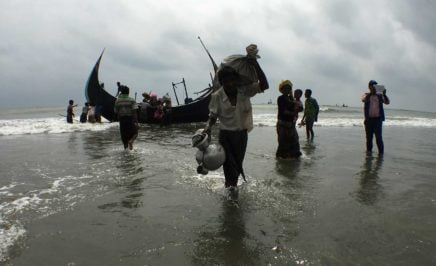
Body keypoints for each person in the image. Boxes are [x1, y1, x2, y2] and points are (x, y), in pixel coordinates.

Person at [203, 44, 269, 200]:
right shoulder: (217, 96)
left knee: (238, 164)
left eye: (232, 80)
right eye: (226, 81)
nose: (230, 84)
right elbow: (212, 116)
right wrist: (207, 129)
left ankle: (232, 190)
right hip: (225, 136)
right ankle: (231, 192)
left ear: (236, 80)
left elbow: (264, 85)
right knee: (229, 165)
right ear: (222, 82)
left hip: (241, 135)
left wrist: (256, 64)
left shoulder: (244, 91)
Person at [361, 80, 390, 154]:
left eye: (376, 87)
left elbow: (387, 102)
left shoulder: (380, 96)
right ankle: (369, 154)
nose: (374, 88)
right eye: (373, 86)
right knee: (369, 139)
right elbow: (363, 100)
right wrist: (370, 93)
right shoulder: (366, 95)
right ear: (369, 87)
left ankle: (381, 155)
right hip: (368, 121)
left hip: (378, 120)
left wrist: (384, 94)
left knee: (379, 139)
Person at [276, 80, 302, 159]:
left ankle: (292, 158)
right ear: (282, 89)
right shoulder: (280, 98)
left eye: (289, 88)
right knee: (283, 143)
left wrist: (298, 107)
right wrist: (294, 113)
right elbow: (284, 111)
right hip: (282, 124)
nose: (287, 90)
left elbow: (300, 108)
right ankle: (281, 160)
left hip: (291, 125)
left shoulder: (291, 98)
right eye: (285, 88)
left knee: (295, 142)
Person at [114, 85, 139, 150]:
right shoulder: (132, 100)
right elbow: (134, 112)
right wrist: (136, 122)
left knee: (124, 137)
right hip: (130, 119)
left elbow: (116, 112)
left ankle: (126, 154)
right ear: (128, 92)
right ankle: (131, 141)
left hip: (122, 120)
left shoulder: (117, 101)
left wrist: (119, 120)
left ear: (121, 92)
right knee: (135, 133)